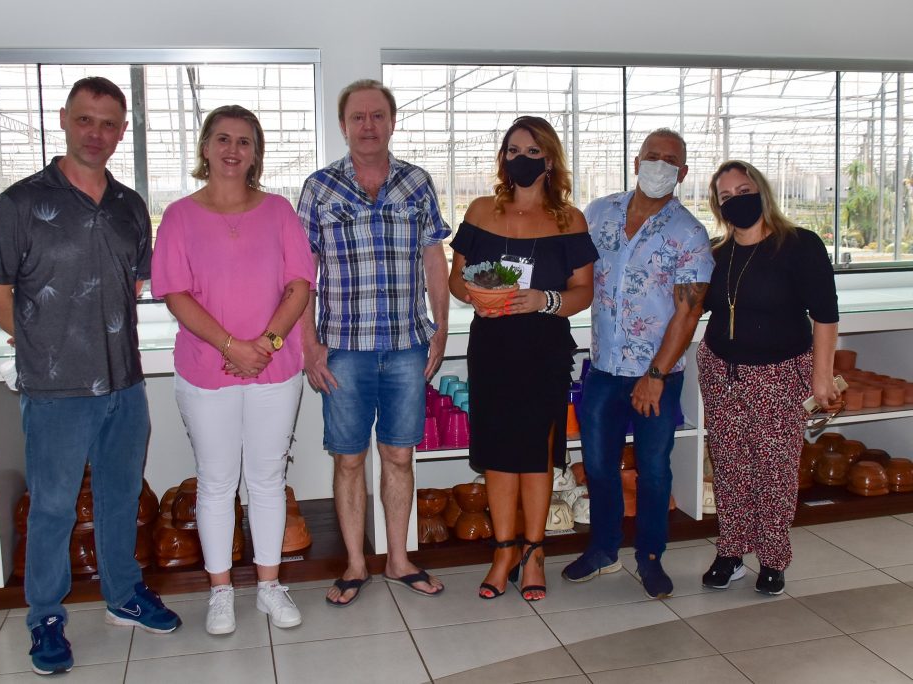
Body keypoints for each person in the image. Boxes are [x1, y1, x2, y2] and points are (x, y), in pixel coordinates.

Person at [0, 76, 181, 676]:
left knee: (121, 496)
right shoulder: (19, 203)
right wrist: (36, 341)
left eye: (109, 123)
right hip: (56, 388)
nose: (97, 133)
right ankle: (45, 616)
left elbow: (134, 283)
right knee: (53, 507)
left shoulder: (129, 206)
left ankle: (124, 595)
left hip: (124, 382)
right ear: (64, 119)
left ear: (123, 131)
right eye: (86, 119)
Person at [151, 105, 316, 634]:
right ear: (205, 147)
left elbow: (300, 284)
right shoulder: (179, 216)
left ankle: (269, 586)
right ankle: (220, 591)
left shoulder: (279, 212)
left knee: (267, 479)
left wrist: (265, 344)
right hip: (206, 369)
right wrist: (231, 346)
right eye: (223, 139)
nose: (232, 150)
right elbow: (175, 294)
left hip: (275, 367)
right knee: (217, 482)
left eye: (244, 141)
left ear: (255, 154)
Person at [297, 79, 450, 606]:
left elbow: (434, 258)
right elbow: (302, 274)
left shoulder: (417, 183)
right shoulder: (320, 188)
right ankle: (356, 564)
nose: (368, 125)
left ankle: (399, 559)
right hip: (342, 349)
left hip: (407, 346)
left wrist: (441, 326)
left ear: (392, 122)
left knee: (399, 456)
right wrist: (308, 344)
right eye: (358, 117)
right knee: (348, 459)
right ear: (343, 125)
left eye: (378, 115)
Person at [448, 116, 596, 601]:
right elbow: (456, 280)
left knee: (535, 452)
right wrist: (478, 294)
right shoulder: (480, 211)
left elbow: (584, 291)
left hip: (543, 350)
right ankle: (503, 551)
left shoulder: (569, 220)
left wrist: (543, 300)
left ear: (549, 160)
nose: (522, 159)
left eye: (533, 152)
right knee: (496, 454)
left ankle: (534, 552)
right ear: (503, 158)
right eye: (513, 150)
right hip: (491, 347)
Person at [561, 128, 714, 599]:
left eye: (670, 160)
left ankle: (650, 556)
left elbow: (688, 313)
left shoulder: (689, 233)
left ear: (682, 173)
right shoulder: (598, 213)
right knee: (599, 464)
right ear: (636, 162)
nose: (659, 165)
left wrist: (655, 376)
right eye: (652, 155)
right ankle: (603, 549)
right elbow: (573, 274)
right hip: (604, 369)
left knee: (653, 468)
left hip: (658, 374)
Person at [697, 160, 839, 596]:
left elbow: (826, 315)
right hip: (721, 371)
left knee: (774, 470)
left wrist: (821, 377)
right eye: (725, 196)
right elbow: (692, 305)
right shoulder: (716, 254)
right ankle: (731, 551)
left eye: (744, 190)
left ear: (761, 190)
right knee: (730, 466)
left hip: (779, 375)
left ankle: (773, 558)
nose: (736, 200)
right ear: (717, 206)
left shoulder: (799, 245)